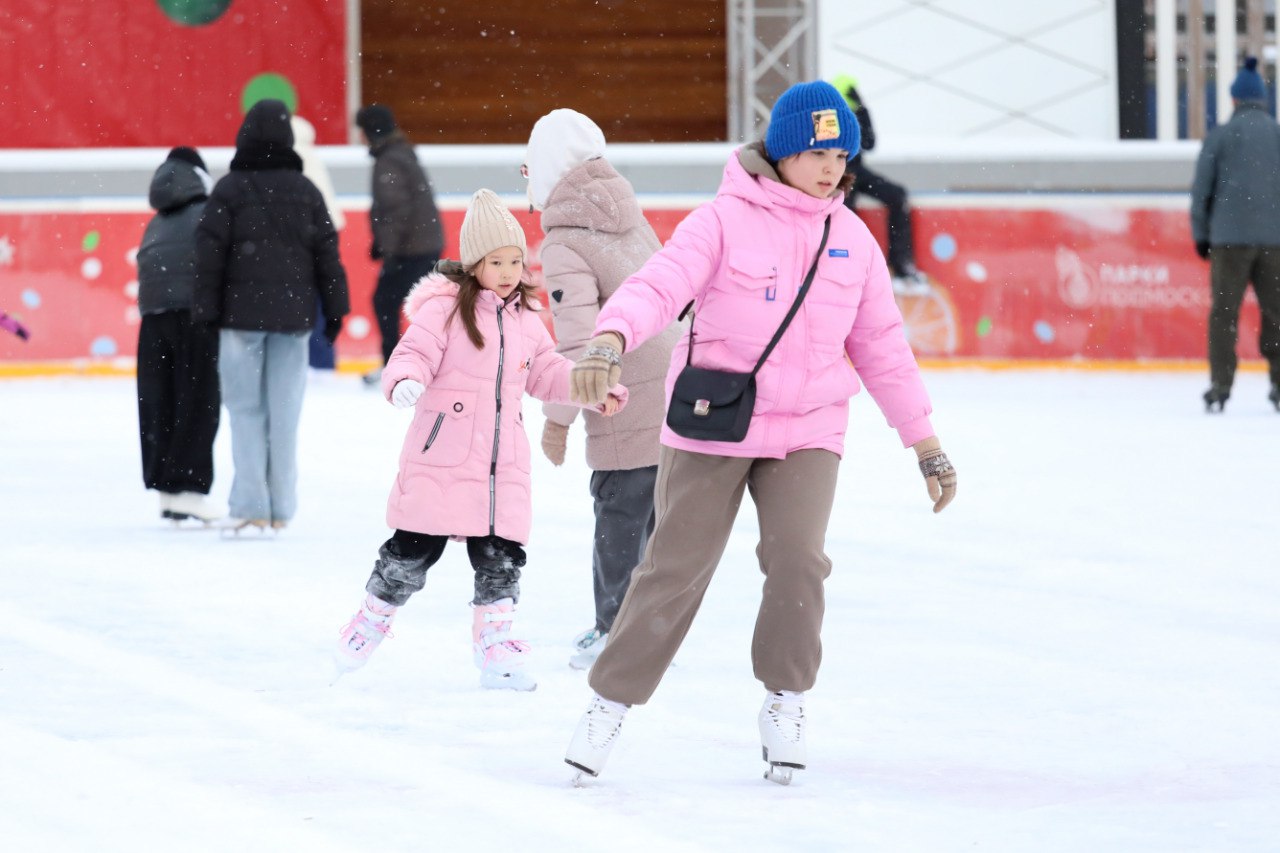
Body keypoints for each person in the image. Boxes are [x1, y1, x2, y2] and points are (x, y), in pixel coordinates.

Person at [561, 80, 958, 785]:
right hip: (715, 420)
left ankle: (786, 698)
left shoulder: (854, 244)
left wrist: (923, 441)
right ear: (781, 152)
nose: (832, 167)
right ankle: (609, 701)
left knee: (799, 560)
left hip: (808, 427)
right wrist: (609, 337)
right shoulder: (721, 221)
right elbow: (658, 283)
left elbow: (884, 348)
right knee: (674, 569)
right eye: (817, 151)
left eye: (842, 153)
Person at [333, 189, 628, 691]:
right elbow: (412, 353)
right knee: (411, 552)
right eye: (498, 261)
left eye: (516, 259)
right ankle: (370, 621)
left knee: (502, 557)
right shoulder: (445, 311)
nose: (511, 270)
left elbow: (547, 373)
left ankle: (495, 648)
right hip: (442, 458)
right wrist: (403, 380)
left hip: (501, 464)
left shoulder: (525, 322)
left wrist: (590, 387)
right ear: (474, 265)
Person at [524, 109, 680, 670]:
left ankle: (615, 632)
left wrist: (556, 420)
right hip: (676, 388)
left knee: (620, 516)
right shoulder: (634, 218)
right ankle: (655, 632)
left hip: (620, 396)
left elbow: (577, 347)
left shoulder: (565, 243)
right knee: (660, 521)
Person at [194, 99, 350, 533]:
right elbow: (328, 258)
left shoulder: (228, 188)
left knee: (246, 411)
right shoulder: (305, 191)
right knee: (284, 413)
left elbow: (208, 256)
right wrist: (336, 310)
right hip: (293, 319)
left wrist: (205, 311)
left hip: (238, 320)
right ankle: (281, 506)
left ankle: (250, 505)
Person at [136, 146, 223, 523]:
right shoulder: (208, 213)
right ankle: (187, 487)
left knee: (159, 401)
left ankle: (166, 489)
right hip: (196, 314)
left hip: (153, 316)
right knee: (198, 398)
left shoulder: (157, 220)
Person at [1190, 57, 1280, 413]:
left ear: (1233, 100)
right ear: (1262, 99)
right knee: (1276, 313)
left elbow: (1201, 191)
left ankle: (1220, 386)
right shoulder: (1276, 135)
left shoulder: (1220, 137)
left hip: (1229, 240)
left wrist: (1201, 234)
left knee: (1224, 314)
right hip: (1275, 241)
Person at [355, 103, 445, 386]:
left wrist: (388, 250)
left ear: (369, 131)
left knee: (385, 301)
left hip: (411, 248)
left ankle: (395, 364)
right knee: (425, 307)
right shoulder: (401, 153)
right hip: (423, 244)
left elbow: (395, 210)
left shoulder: (389, 160)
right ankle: (420, 362)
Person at [831, 73, 928, 295]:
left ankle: (901, 264)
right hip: (838, 173)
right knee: (846, 212)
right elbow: (833, 146)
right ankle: (849, 270)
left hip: (856, 171)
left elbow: (869, 142)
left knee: (897, 195)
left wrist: (861, 109)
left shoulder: (856, 112)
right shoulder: (828, 115)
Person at [291, 114, 348, 372]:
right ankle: (323, 358)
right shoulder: (314, 159)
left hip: (301, 243)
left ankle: (309, 360)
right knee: (322, 300)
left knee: (302, 302)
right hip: (325, 238)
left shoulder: (292, 160)